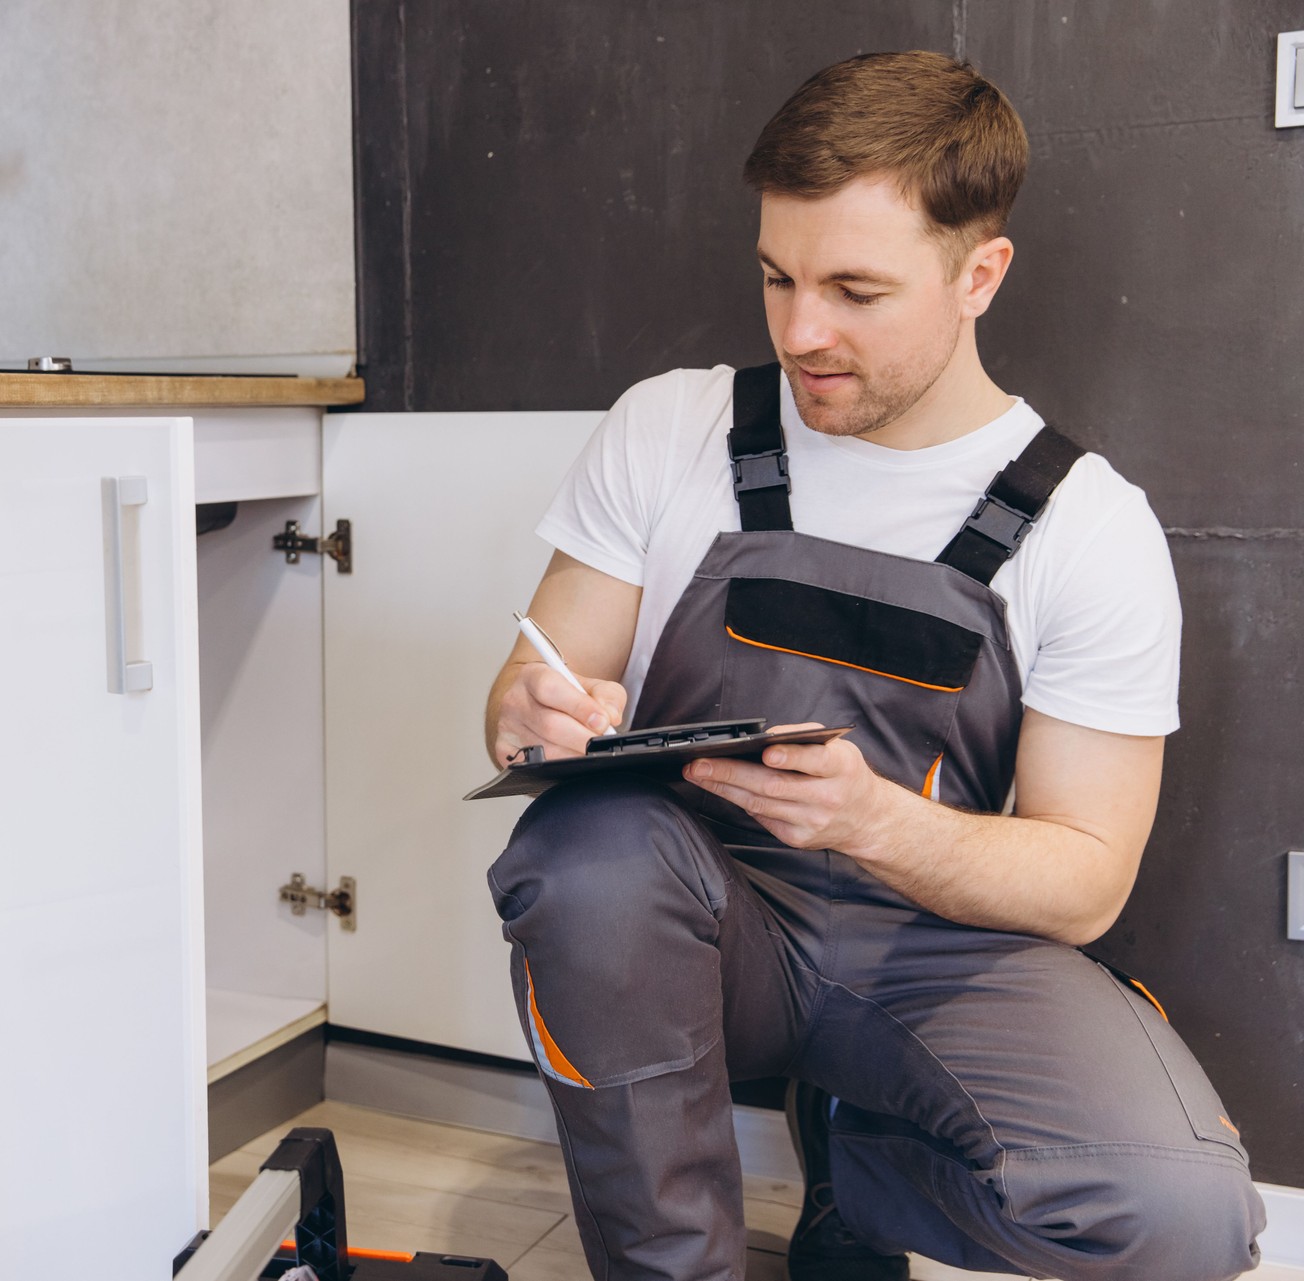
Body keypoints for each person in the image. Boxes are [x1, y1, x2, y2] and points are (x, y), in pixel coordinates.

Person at [482, 50, 1264, 1281]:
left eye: (855, 289)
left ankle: (866, 1166)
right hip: (689, 916)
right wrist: (529, 714)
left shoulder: (1084, 524)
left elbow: (1084, 884)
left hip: (935, 943)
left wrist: (875, 824)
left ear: (979, 275)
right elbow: (526, 702)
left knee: (1184, 1219)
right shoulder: (669, 427)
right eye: (777, 277)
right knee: (582, 863)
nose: (802, 331)